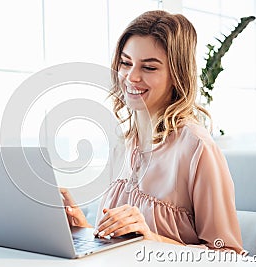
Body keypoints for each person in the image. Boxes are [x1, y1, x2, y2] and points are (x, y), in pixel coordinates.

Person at [61, 10, 243, 253]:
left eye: (149, 67)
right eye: (125, 63)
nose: (131, 77)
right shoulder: (122, 144)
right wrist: (80, 227)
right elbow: (118, 244)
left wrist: (150, 239)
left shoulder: (197, 147)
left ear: (176, 76)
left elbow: (229, 254)